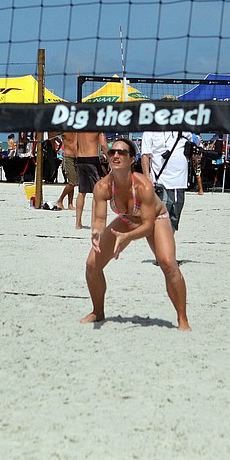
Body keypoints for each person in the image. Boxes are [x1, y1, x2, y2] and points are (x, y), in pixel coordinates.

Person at [81, 138, 190, 331]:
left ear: (132, 159)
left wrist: (126, 238)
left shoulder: (143, 186)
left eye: (122, 152)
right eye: (112, 152)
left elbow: (148, 226)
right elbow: (99, 219)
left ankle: (182, 319)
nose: (115, 155)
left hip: (155, 219)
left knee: (168, 264)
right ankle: (98, 311)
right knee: (92, 265)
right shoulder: (102, 187)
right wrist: (96, 233)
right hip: (128, 219)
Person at [140, 96, 192, 232]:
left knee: (174, 221)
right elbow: (145, 155)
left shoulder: (184, 128)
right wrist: (147, 177)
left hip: (180, 181)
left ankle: (166, 250)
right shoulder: (151, 128)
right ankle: (161, 250)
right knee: (160, 219)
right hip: (160, 180)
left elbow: (189, 150)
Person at [74, 131, 107, 229]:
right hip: (92, 159)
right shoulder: (98, 128)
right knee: (96, 192)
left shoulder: (80, 127)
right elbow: (103, 144)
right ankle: (93, 222)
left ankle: (78, 223)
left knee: (81, 192)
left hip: (80, 158)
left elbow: (75, 145)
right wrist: (109, 158)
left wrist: (78, 156)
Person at [54, 132, 78, 210]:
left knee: (72, 182)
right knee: (73, 182)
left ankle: (70, 204)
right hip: (69, 157)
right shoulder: (65, 131)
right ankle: (60, 200)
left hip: (76, 157)